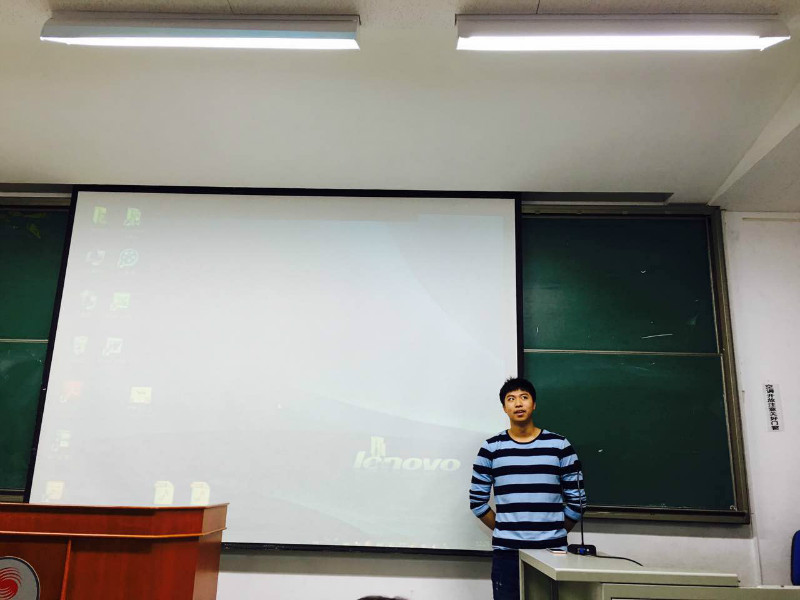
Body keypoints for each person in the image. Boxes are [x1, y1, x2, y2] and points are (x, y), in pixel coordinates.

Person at [470, 377, 586, 600]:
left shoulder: (559, 446)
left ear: (534, 404)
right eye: (511, 399)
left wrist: (554, 532)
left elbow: (577, 501)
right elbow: (477, 502)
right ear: (504, 408)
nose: (518, 403)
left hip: (553, 553)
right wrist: (505, 530)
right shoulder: (491, 448)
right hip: (507, 554)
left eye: (524, 397)